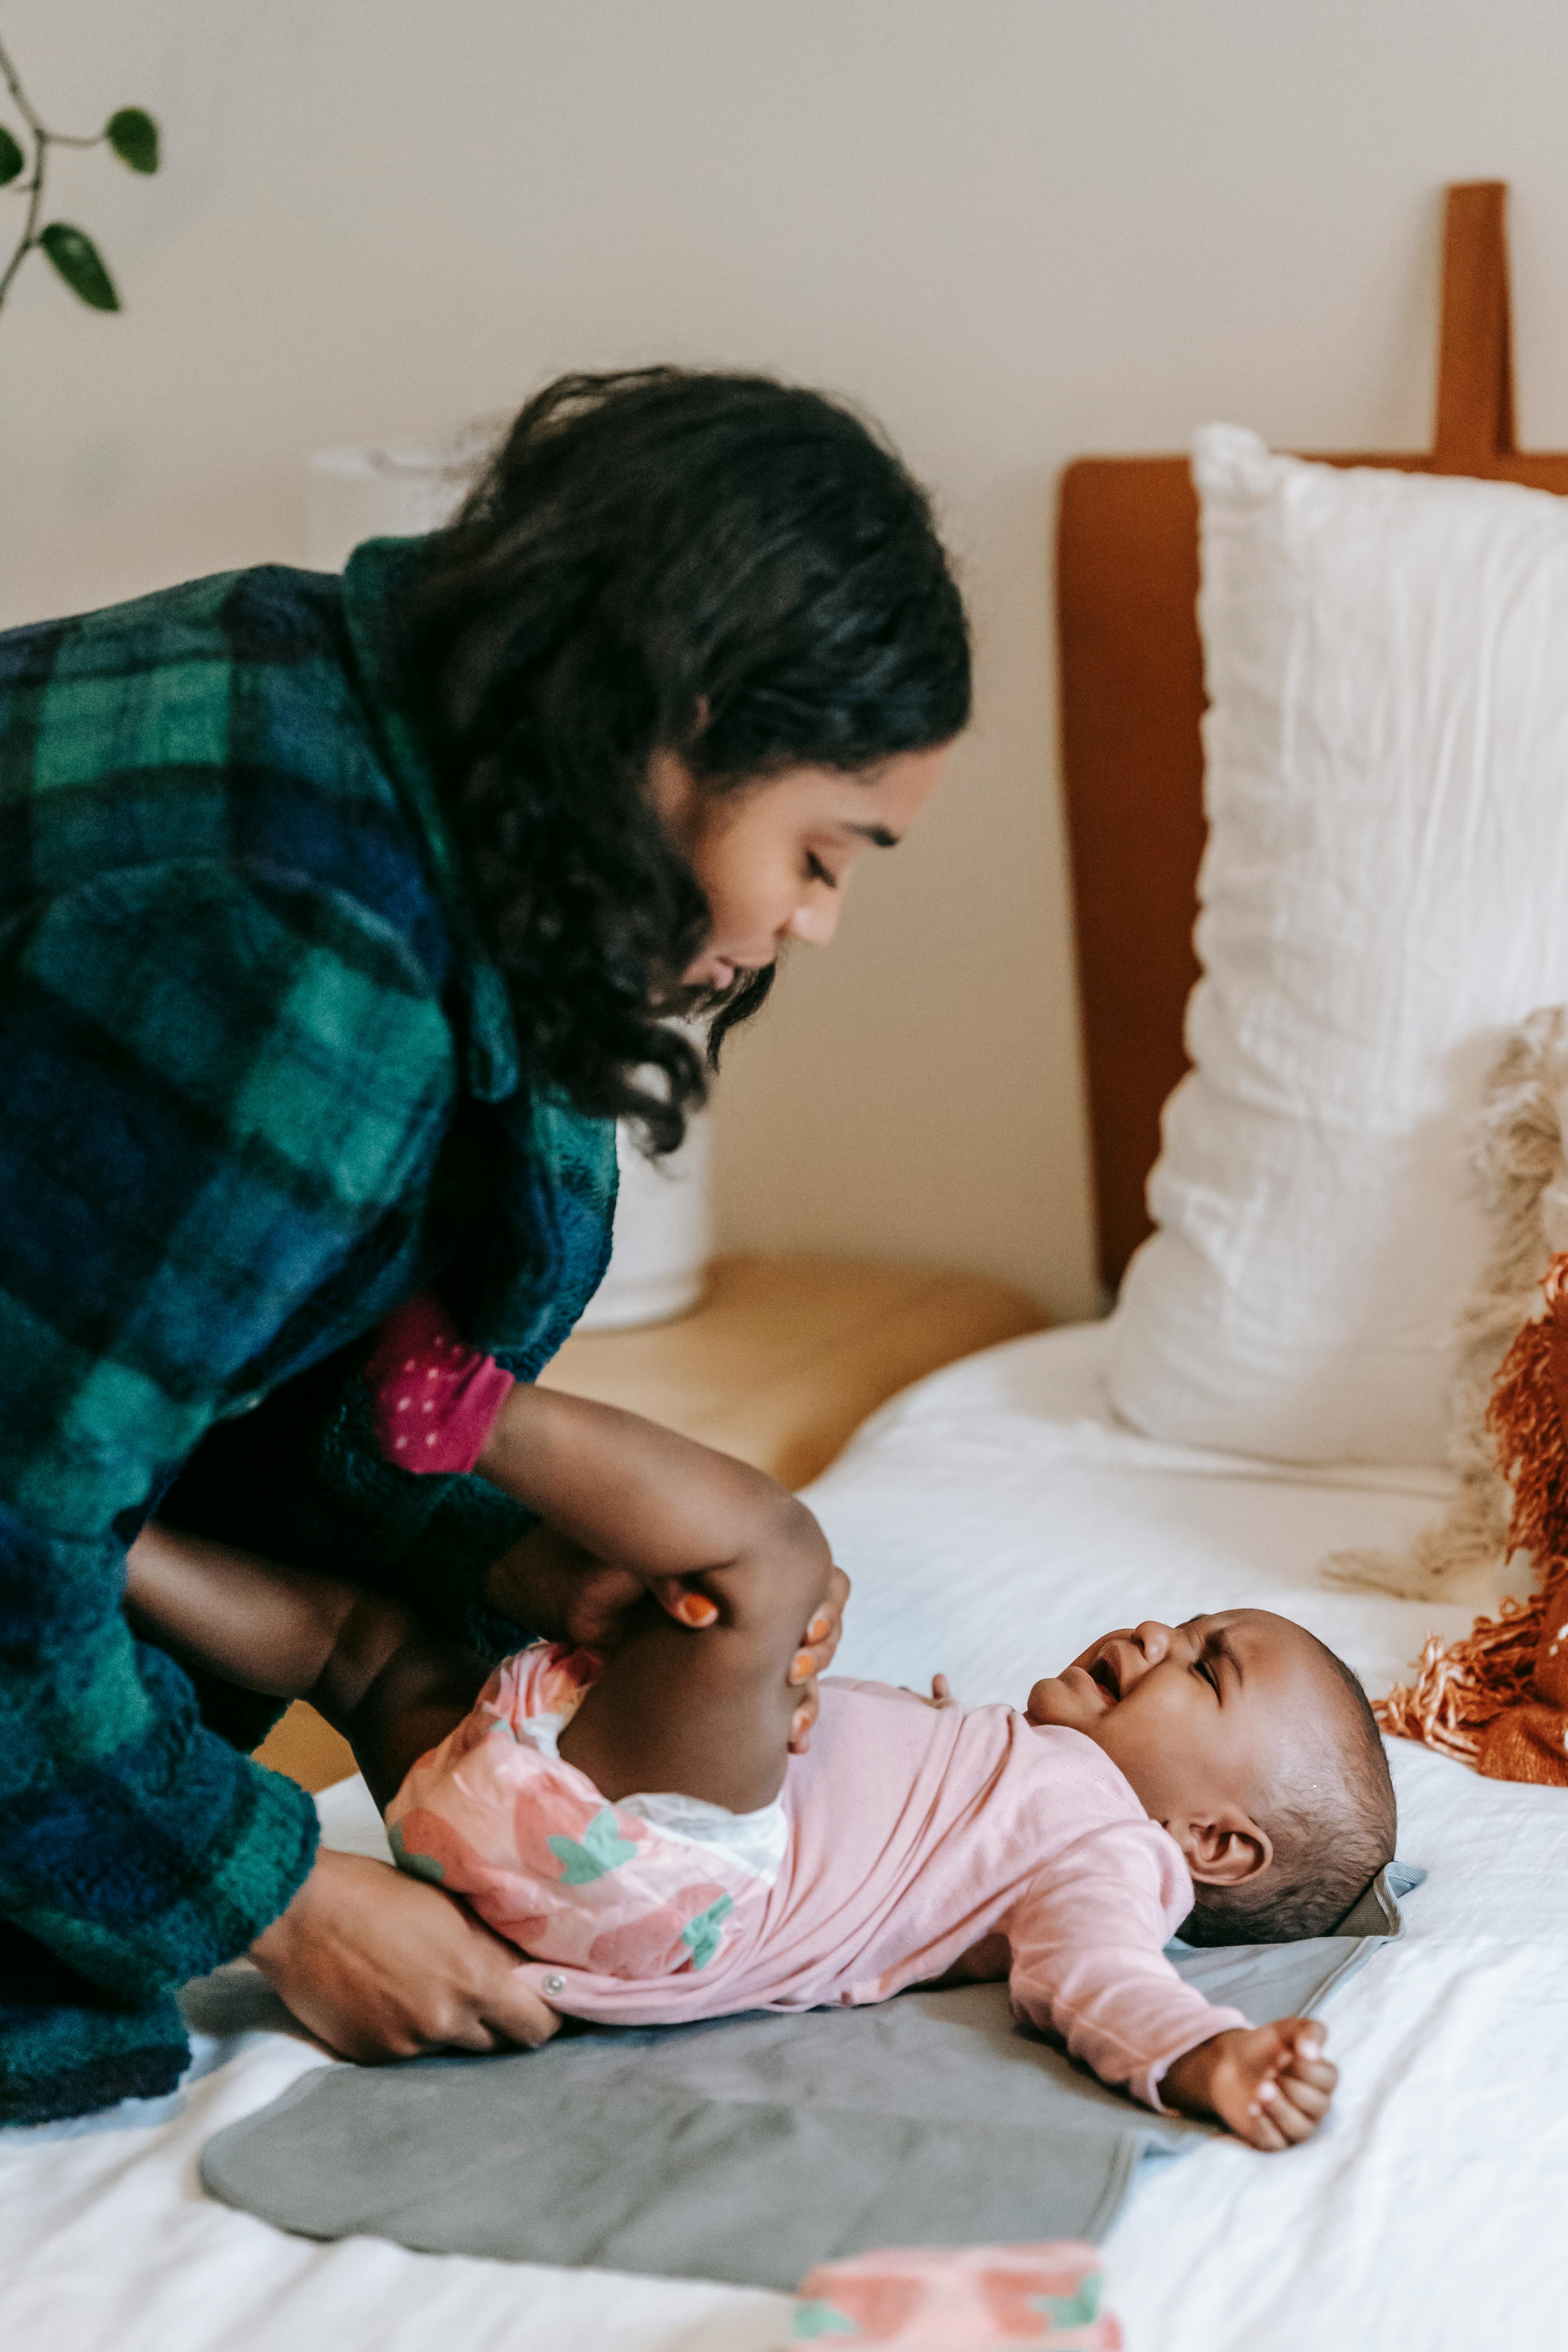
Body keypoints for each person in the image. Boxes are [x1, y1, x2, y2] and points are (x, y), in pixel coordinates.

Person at [0, 367, 971, 2124]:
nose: (811, 924)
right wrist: (276, 1897)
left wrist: (500, 1559)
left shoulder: (350, 705)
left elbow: (183, 1339)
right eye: (821, 853)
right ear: (678, 724)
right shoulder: (307, 955)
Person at [127, 1292, 1397, 2151]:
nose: (1159, 1637)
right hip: (574, 1831)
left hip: (674, 1880)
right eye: (1190, 1620)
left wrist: (1207, 2060)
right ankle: (92, 1545)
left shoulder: (1111, 1851)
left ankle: (456, 1404)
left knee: (772, 1556)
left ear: (1214, 1847)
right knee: (362, 1644)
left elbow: (1102, 1980)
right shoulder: (1016, 1783)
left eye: (1207, 1668)